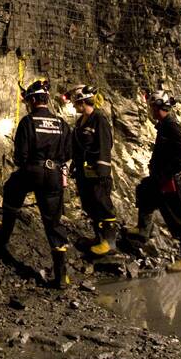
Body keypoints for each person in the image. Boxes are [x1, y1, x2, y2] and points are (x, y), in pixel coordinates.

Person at [0, 79, 73, 287]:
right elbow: (68, 152)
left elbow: (20, 156)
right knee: (54, 222)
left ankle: (3, 236)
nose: (27, 105)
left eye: (27, 101)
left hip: (33, 170)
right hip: (54, 173)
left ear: (33, 100)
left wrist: (30, 167)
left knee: (12, 189)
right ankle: (61, 276)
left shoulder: (28, 122)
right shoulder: (61, 123)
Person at [125, 90, 181, 272]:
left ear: (157, 107)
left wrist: (168, 172)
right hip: (160, 176)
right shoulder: (164, 125)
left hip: (169, 179)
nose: (150, 110)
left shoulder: (171, 126)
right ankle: (143, 229)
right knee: (144, 191)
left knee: (177, 214)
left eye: (151, 107)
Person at [68, 84, 118, 256]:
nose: (73, 105)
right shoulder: (80, 122)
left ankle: (109, 242)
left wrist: (102, 170)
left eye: (75, 102)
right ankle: (99, 237)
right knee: (90, 204)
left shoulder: (99, 119)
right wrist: (74, 164)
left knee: (102, 203)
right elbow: (78, 147)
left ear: (82, 102)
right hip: (84, 172)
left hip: (97, 172)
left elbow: (105, 145)